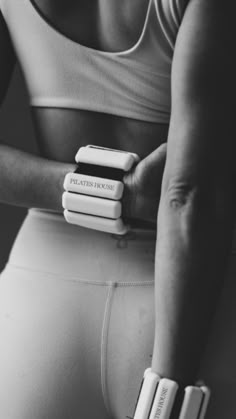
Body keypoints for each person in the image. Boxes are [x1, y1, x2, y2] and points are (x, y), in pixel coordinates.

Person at [0, 0, 235, 418]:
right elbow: (189, 196)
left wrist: (108, 193)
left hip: (36, 314)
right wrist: (169, 395)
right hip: (193, 313)